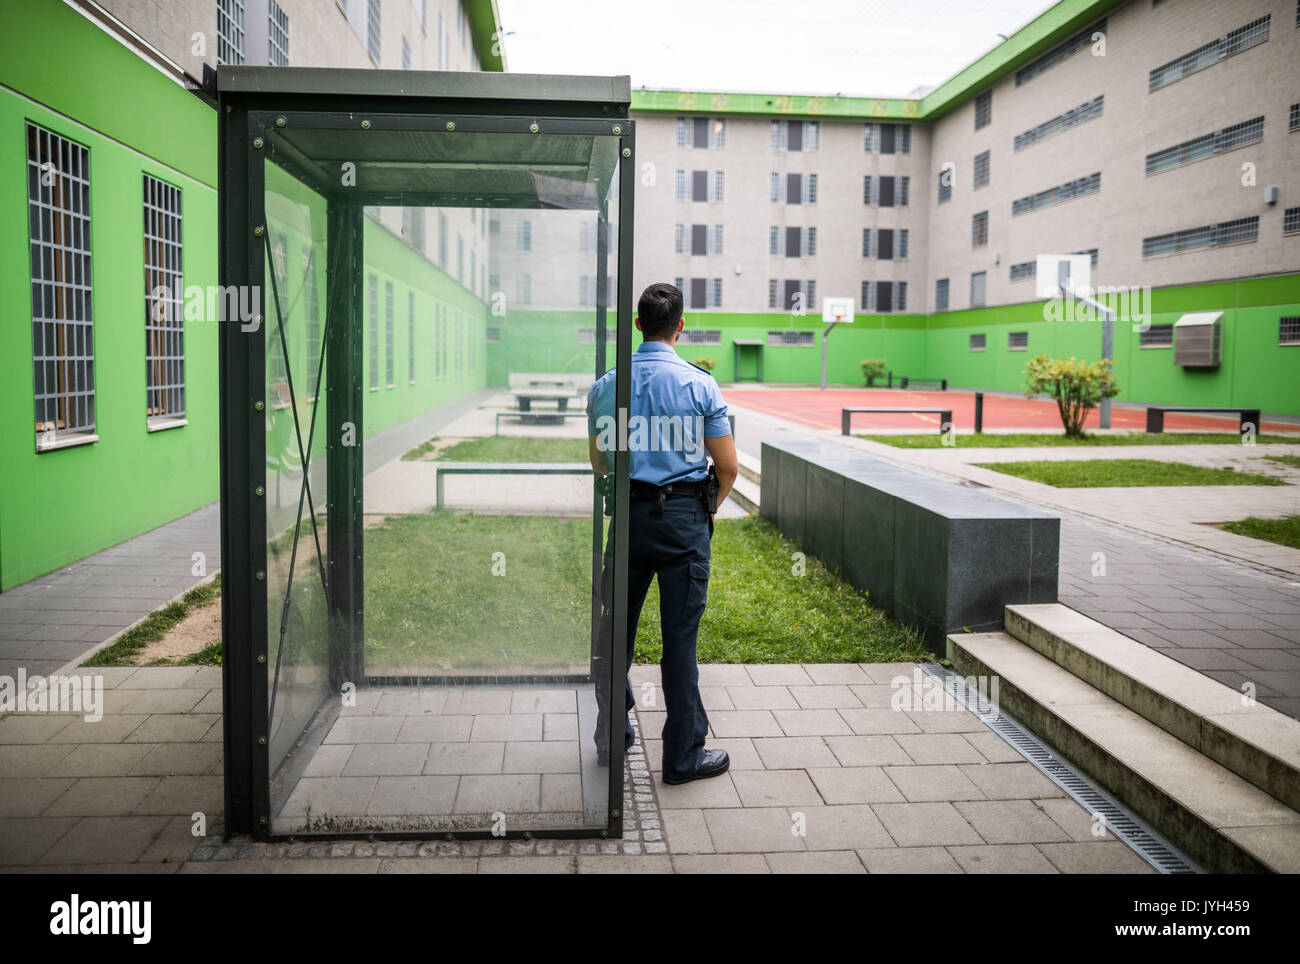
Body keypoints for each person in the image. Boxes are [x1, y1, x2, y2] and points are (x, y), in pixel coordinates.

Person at [587, 282, 739, 785]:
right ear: (680, 327)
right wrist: (705, 512)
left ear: (637, 325)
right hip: (682, 524)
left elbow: (600, 462)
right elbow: (729, 467)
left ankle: (614, 734)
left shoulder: (607, 385)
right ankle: (682, 758)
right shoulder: (701, 385)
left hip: (628, 520)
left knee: (615, 635)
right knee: (679, 640)